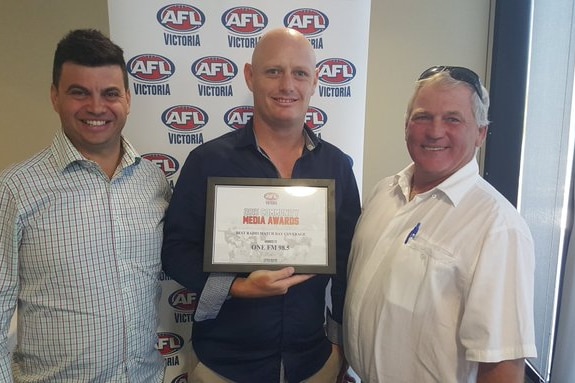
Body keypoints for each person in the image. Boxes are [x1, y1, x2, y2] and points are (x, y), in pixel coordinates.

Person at [161, 27, 361, 382]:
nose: (287, 85)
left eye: (300, 73)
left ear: (314, 82)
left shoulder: (337, 167)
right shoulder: (208, 161)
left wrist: (341, 341)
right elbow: (176, 250)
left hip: (313, 363)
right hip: (224, 366)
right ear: (251, 77)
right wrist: (237, 287)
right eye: (273, 71)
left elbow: (347, 263)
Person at [343, 66, 537, 383]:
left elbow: (502, 366)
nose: (434, 131)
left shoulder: (498, 228)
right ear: (406, 126)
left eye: (453, 119)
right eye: (422, 117)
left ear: (481, 133)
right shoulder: (384, 192)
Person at [0, 29, 171, 382]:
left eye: (110, 94)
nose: (96, 107)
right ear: (54, 96)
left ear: (127, 98)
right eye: (79, 93)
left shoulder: (153, 182)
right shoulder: (15, 189)